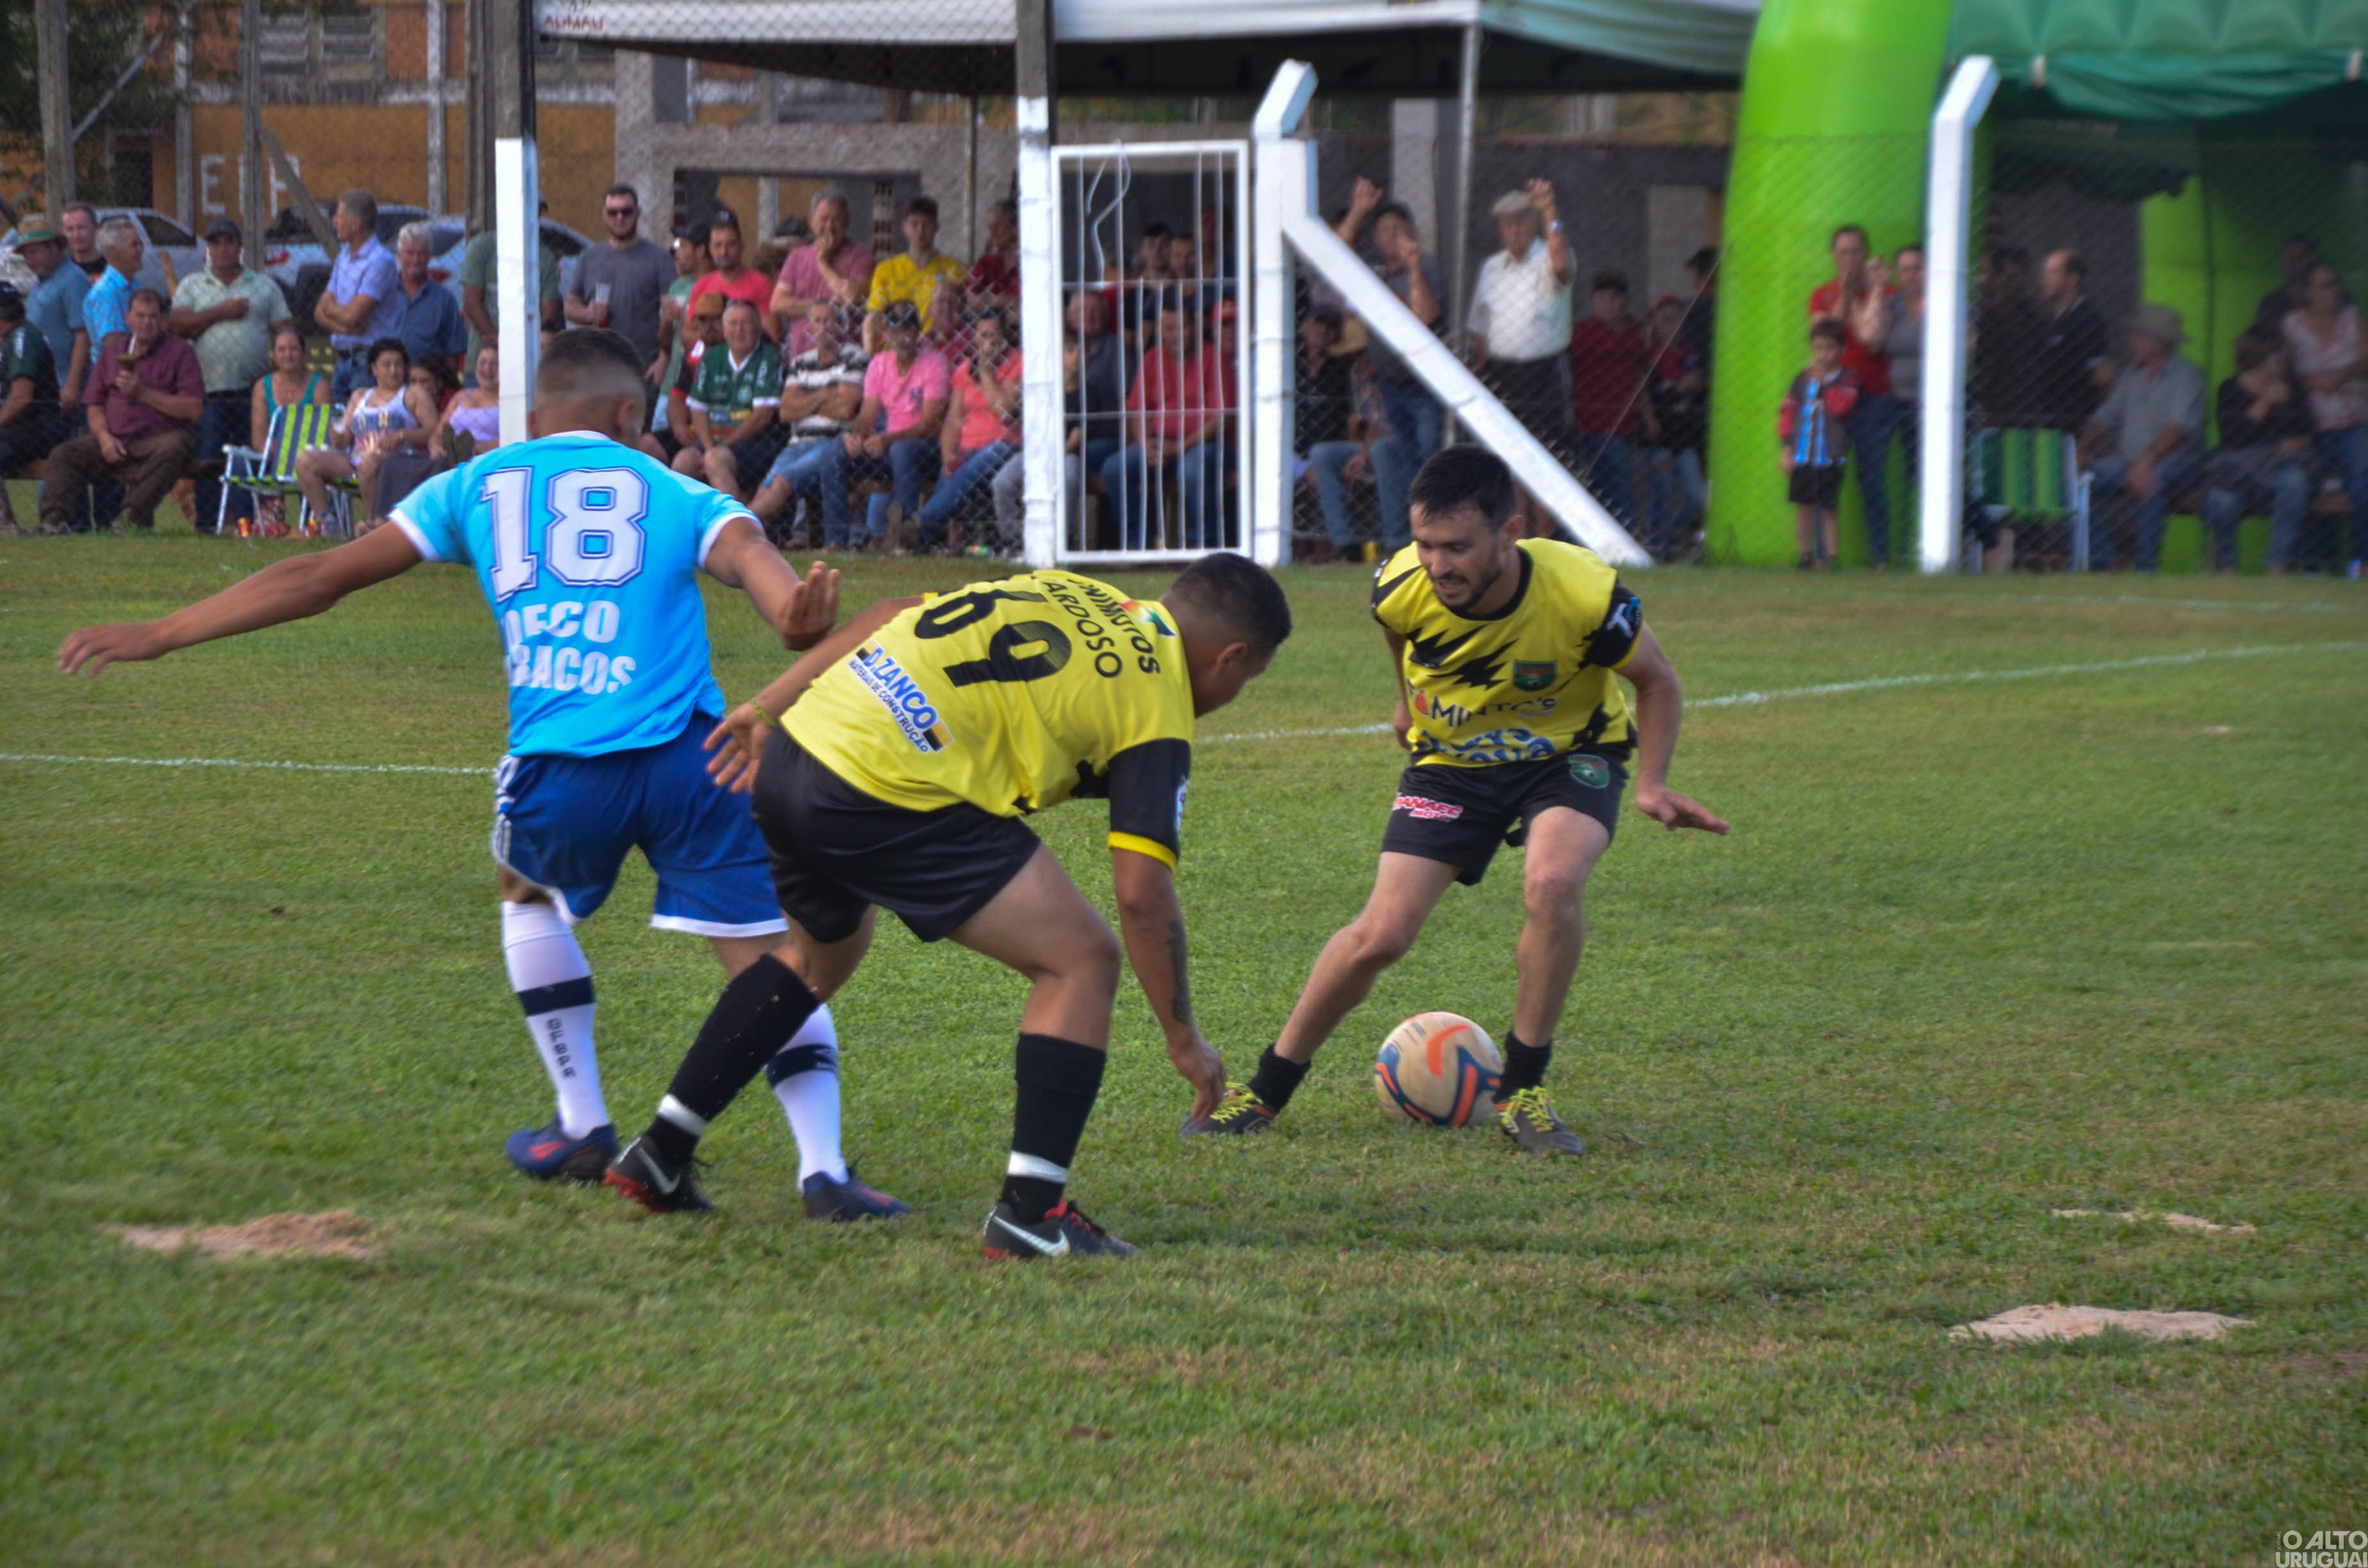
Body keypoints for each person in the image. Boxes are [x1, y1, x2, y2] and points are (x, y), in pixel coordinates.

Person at [55, 328, 903, 1224]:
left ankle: (581, 1121)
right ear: (628, 412)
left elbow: (319, 576)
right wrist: (800, 619)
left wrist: (160, 633)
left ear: (534, 413)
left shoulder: (473, 486)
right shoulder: (680, 491)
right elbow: (783, 607)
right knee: (772, 961)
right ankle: (824, 1175)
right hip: (697, 764)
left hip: (562, 769)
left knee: (525, 890)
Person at [634, 551, 1292, 1252]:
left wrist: (769, 704)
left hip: (803, 746)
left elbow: (891, 617)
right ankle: (1031, 1216)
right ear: (1231, 658)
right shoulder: (1156, 700)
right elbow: (1142, 897)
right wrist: (1182, 1036)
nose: (1232, 695)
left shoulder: (1069, 587)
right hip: (881, 788)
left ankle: (660, 1152)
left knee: (814, 962)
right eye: (1245, 682)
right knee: (1082, 960)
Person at [1182, 443, 1724, 1150]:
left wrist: (1650, 781)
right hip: (1452, 765)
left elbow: (1657, 680)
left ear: (1510, 531)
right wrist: (1408, 703)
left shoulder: (1585, 595)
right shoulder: (1399, 586)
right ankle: (1267, 1090)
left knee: (1553, 882)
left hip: (1570, 756)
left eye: (1459, 547)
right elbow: (1398, 633)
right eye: (1426, 545)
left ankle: (1523, 1090)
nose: (1440, 565)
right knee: (1381, 935)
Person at [1336, 177, 1446, 553]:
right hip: (1389, 385)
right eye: (1384, 231)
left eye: (1400, 230)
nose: (1392, 238)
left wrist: (1413, 267)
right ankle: (1400, 544)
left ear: (1412, 235)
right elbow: (1334, 254)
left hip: (1423, 386)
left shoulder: (1426, 267)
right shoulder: (1372, 270)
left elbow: (1425, 316)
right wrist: (1358, 211)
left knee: (1427, 463)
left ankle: (1432, 539)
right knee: (1395, 458)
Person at [38, 288, 202, 534]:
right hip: (115, 440)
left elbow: (194, 409)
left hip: (156, 442)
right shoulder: (113, 353)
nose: (147, 323)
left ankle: (130, 520)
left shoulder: (180, 353)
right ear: (128, 318)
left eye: (154, 317)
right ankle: (53, 523)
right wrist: (105, 439)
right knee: (64, 454)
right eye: (141, 316)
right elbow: (94, 405)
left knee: (176, 444)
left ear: (163, 320)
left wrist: (143, 394)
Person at [170, 216, 293, 535]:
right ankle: (210, 524)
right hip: (208, 392)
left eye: (229, 242)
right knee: (210, 459)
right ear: (208, 249)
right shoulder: (192, 285)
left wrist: (282, 377)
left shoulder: (263, 286)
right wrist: (221, 312)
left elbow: (284, 332)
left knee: (251, 458)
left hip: (253, 391)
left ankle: (251, 523)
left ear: (240, 246)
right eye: (216, 243)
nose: (223, 249)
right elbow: (179, 326)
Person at [2080, 304, 2206, 572]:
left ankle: (2146, 570)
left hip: (2177, 461)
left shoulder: (2188, 376)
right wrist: (2082, 448)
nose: (2132, 340)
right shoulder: (2131, 375)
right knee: (2081, 482)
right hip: (2129, 461)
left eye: (2140, 335)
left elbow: (2179, 429)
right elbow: (2106, 416)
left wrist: (2147, 461)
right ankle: (2108, 562)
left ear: (2160, 342)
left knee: (2154, 481)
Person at [814, 298, 949, 546]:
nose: (903, 337)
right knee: (834, 453)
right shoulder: (879, 363)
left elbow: (930, 423)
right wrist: (857, 437)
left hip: (923, 447)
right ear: (886, 332)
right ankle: (835, 542)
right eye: (896, 330)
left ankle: (905, 539)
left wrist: (887, 439)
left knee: (901, 451)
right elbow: (867, 416)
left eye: (908, 329)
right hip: (888, 445)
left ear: (918, 330)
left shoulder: (935, 363)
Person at [1807, 225, 1899, 567]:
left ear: (1866, 255)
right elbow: (1824, 336)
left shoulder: (1887, 293)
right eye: (1843, 252)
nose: (1850, 259)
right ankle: (1824, 555)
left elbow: (1872, 339)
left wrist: (1866, 293)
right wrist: (1844, 297)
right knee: (1825, 475)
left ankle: (1880, 558)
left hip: (1873, 396)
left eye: (1856, 252)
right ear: (1834, 256)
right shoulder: (1822, 295)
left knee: (1871, 477)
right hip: (1832, 398)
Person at [1467, 183, 1574, 454]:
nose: (1514, 230)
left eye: (1521, 223)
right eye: (1507, 225)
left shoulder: (1550, 256)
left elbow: (1561, 267)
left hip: (1544, 374)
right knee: (1506, 455)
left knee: (1550, 454)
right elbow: (1479, 330)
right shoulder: (1491, 267)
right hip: (1501, 374)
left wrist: (1550, 211)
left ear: (1534, 224)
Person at [750, 299, 867, 546]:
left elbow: (846, 409)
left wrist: (806, 398)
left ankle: (732, 528)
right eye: (817, 321)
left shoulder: (855, 356)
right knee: (766, 488)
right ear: (809, 328)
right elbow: (786, 411)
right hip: (797, 444)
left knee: (781, 483)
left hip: (832, 442)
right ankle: (742, 532)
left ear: (841, 327)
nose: (823, 327)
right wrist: (829, 393)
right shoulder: (801, 362)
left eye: (830, 321)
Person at [2202, 326, 2316, 575]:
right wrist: (2265, 401)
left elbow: (2310, 429)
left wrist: (2301, 441)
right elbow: (2232, 436)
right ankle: (2227, 567)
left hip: (2277, 471)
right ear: (2262, 360)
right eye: (2279, 355)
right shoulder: (2230, 388)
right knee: (2220, 499)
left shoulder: (2293, 388)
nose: (2285, 359)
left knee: (2295, 482)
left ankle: (2277, 565)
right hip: (2240, 475)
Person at [297, 337, 437, 525]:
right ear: (374, 368)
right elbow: (345, 440)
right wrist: (338, 438)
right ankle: (326, 522)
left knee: (369, 463)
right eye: (387, 365)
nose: (394, 370)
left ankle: (373, 522)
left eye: (399, 365)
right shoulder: (360, 397)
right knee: (305, 460)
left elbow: (435, 430)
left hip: (399, 463)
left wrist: (403, 435)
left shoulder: (413, 395)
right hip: (357, 462)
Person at [2282, 261, 2368, 566]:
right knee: (2314, 487)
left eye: (2336, 283)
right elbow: (2284, 374)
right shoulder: (2293, 324)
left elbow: (2366, 361)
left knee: (2362, 484)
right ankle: (2317, 567)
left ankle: (2361, 565)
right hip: (2314, 426)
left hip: (2354, 422)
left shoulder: (2351, 318)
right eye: (2326, 285)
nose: (2335, 290)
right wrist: (2312, 381)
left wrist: (2343, 374)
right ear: (2309, 293)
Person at [915, 306, 1022, 548]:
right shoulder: (964, 368)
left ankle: (922, 523)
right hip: (968, 448)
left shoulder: (1018, 363)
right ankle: (928, 540)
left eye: (994, 335)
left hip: (1005, 446)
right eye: (982, 336)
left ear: (1005, 338)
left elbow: (1004, 409)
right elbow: (954, 417)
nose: (988, 342)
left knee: (979, 463)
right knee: (953, 468)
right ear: (974, 339)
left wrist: (985, 371)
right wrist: (948, 453)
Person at [1853, 245, 1928, 565]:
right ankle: (1880, 556)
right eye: (1905, 270)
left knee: (1923, 474)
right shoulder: (1894, 304)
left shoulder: (1944, 303)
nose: (1911, 276)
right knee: (1871, 476)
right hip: (1890, 398)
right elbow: (1871, 338)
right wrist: (1879, 288)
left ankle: (1982, 536)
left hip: (1927, 404)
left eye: (1918, 268)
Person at [1566, 270, 1654, 539]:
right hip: (1592, 421)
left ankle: (1624, 537)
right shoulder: (1582, 333)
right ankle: (1621, 537)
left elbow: (1643, 378)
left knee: (1623, 483)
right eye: (1602, 298)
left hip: (1628, 424)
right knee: (1611, 485)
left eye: (1615, 299)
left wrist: (1649, 416)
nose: (1608, 304)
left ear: (1625, 301)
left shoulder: (1637, 333)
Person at [671, 298, 783, 502]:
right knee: (683, 462)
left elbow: (762, 416)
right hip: (714, 442)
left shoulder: (768, 356)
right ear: (724, 329)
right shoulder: (713, 357)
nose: (739, 330)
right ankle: (690, 529)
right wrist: (708, 447)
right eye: (733, 323)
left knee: (715, 461)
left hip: (757, 444)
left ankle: (734, 529)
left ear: (758, 328)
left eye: (746, 323)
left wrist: (721, 448)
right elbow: (699, 410)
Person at [568, 183, 672, 382]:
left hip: (643, 369)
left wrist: (664, 361)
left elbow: (673, 316)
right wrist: (588, 313)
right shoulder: (589, 257)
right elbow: (570, 305)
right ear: (603, 215)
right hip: (599, 367)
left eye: (626, 211)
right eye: (613, 212)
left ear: (638, 213)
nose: (620, 218)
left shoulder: (659, 259)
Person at [1780, 319, 1859, 570]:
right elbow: (1788, 412)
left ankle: (1831, 558)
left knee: (1827, 508)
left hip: (1829, 456)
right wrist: (1787, 447)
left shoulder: (1847, 379)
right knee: (1803, 506)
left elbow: (1840, 407)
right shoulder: (1802, 379)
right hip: (1803, 454)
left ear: (1841, 350)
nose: (1823, 354)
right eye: (1818, 348)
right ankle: (1805, 555)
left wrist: (1825, 383)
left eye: (1829, 348)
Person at [314, 190, 402, 402]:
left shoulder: (379, 261)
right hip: (342, 358)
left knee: (365, 428)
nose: (335, 222)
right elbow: (319, 311)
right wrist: (346, 328)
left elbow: (354, 314)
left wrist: (335, 311)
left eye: (339, 217)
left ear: (356, 224)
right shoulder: (343, 258)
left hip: (368, 361)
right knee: (340, 428)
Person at [1299, 306, 1372, 559]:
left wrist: (1361, 451)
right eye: (1353, 353)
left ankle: (1394, 542)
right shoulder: (1353, 372)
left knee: (1383, 451)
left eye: (1361, 352)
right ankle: (1345, 544)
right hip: (1360, 444)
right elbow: (1356, 417)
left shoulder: (1385, 372)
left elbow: (1377, 422)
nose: (1358, 358)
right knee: (1322, 455)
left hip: (1382, 442)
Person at [770, 188, 877, 356]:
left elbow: (853, 298)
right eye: (824, 219)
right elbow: (778, 303)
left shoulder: (862, 255)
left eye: (836, 220)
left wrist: (823, 263)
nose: (829, 226)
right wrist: (826, 308)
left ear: (847, 222)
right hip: (802, 355)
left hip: (845, 357)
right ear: (812, 221)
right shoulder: (798, 257)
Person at [1642, 295, 1707, 559]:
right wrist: (1649, 420)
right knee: (1663, 494)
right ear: (1655, 324)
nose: (1672, 325)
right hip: (1660, 437)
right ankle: (1661, 548)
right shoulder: (1649, 356)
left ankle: (1669, 534)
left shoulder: (1689, 354)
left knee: (1697, 497)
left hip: (1685, 437)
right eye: (1666, 320)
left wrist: (1695, 381)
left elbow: (1697, 381)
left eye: (1678, 319)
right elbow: (1643, 392)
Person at [459, 209, 563, 372]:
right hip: (484, 363)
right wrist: (498, 341)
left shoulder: (544, 257)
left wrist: (523, 348)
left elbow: (549, 312)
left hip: (528, 364)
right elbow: (471, 302)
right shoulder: (481, 248)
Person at [0, 284, 65, 534]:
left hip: (39, 425)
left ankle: (6, 526)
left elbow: (22, 398)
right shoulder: (14, 337)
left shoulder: (22, 339)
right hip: (23, 427)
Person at [14, 214, 91, 422]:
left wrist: (72, 385)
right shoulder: (41, 280)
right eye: (26, 256)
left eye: (34, 253)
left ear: (54, 248)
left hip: (66, 388)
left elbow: (83, 335)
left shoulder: (73, 280)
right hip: (45, 385)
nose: (30, 261)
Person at [2032, 249, 2113, 436]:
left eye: (2053, 273)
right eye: (2045, 273)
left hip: (2075, 422)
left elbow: (2103, 375)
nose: (2045, 280)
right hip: (2047, 420)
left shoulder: (2088, 318)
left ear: (2073, 279)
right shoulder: (2049, 321)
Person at [866, 197, 966, 345]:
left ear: (937, 227)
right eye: (915, 224)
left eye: (926, 225)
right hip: (896, 346)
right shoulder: (886, 269)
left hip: (938, 346)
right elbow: (874, 313)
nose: (921, 230)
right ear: (904, 227)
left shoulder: (954, 269)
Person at [654, 221, 713, 448]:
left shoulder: (715, 285)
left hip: (700, 387)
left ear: (701, 251)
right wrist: (668, 321)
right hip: (671, 386)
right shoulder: (679, 286)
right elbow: (664, 343)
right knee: (656, 447)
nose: (677, 252)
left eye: (684, 246)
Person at [382, 220, 468, 380]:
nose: (415, 260)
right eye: (410, 253)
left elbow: (453, 354)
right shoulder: (382, 294)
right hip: (386, 382)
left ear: (429, 257)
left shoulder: (444, 300)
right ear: (399, 254)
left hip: (427, 383)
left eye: (421, 254)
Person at [1971, 245, 2041, 428]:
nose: (2016, 285)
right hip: (1987, 404)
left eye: (2020, 278)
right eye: (2010, 278)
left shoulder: (2033, 318)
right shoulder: (1981, 318)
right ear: (1996, 279)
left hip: (2026, 405)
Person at [688, 213, 775, 340]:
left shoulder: (761, 284)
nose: (724, 252)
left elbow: (772, 334)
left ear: (742, 246)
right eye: (718, 245)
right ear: (710, 249)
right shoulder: (701, 286)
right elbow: (687, 334)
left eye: (731, 244)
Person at [666, 292, 728, 459]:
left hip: (725, 430)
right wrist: (680, 427)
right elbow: (677, 397)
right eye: (703, 320)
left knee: (685, 461)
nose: (709, 326)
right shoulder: (693, 353)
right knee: (648, 444)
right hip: (694, 430)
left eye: (716, 319)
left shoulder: (738, 350)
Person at [82, 216, 146, 355]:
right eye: (134, 245)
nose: (141, 250)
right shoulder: (106, 293)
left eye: (141, 244)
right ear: (113, 251)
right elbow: (115, 346)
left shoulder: (136, 286)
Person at [432, 345, 504, 462]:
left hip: (487, 459)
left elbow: (516, 438)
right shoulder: (461, 396)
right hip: (450, 457)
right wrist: (435, 447)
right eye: (483, 362)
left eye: (495, 363)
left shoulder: (508, 401)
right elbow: (437, 434)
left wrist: (484, 447)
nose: (488, 368)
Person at [962, 199, 1021, 318]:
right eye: (990, 227)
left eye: (998, 226)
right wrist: (1005, 301)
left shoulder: (1030, 265)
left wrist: (987, 300)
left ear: (1015, 226)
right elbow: (969, 298)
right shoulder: (987, 263)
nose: (993, 233)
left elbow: (1024, 305)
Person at [2254, 236, 2321, 334]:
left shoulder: (2331, 299)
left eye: (2301, 257)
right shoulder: (2271, 304)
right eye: (2290, 257)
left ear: (2314, 259)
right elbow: (2259, 339)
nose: (2294, 262)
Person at [62, 204, 108, 282]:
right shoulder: (61, 272)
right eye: (70, 229)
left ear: (96, 228)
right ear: (64, 233)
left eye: (82, 227)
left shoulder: (113, 269)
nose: (76, 235)